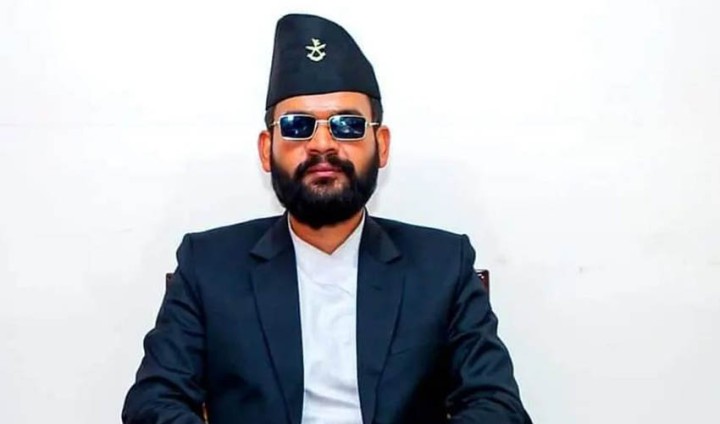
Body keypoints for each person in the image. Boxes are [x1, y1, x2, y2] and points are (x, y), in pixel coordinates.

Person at [122, 13, 532, 424]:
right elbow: (153, 402)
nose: (322, 144)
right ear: (266, 149)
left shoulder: (442, 264)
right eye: (297, 126)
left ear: (381, 145)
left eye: (347, 126)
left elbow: (497, 407)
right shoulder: (209, 264)